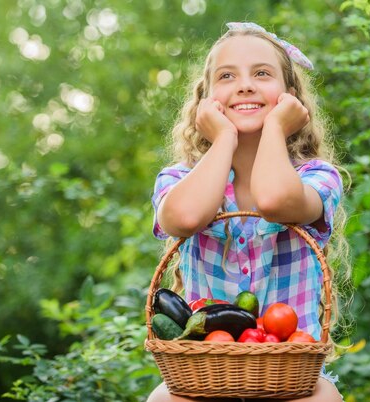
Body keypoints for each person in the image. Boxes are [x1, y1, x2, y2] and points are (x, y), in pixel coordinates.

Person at [148, 22, 348, 402]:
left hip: (291, 376)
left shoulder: (317, 177)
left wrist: (274, 127)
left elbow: (274, 200)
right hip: (204, 375)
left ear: (291, 99)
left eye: (262, 73)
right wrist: (224, 138)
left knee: (326, 399)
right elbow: (183, 219)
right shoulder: (179, 179)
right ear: (206, 101)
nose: (245, 85)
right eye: (227, 76)